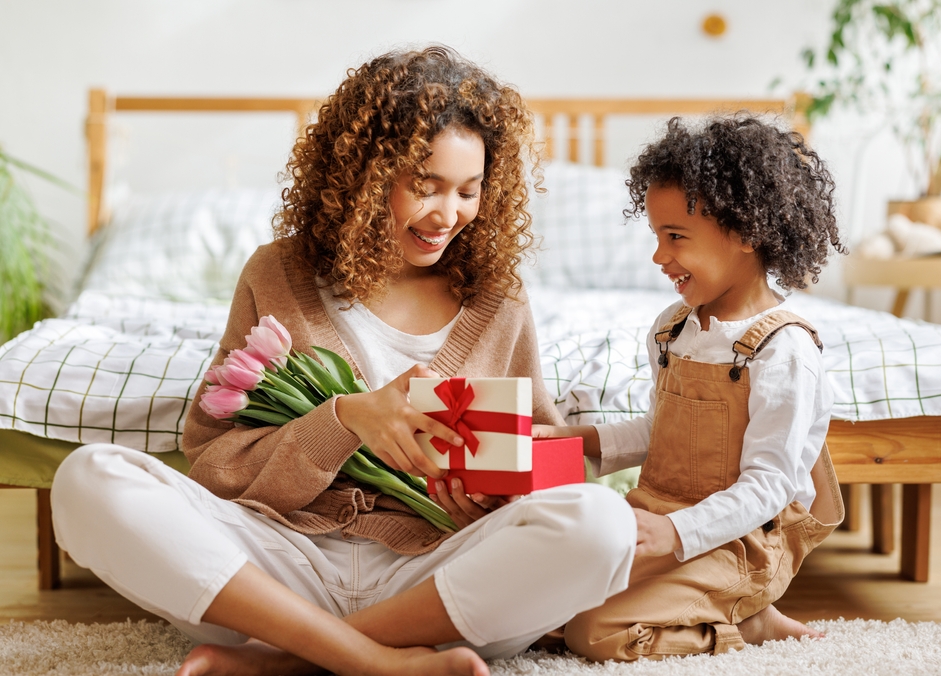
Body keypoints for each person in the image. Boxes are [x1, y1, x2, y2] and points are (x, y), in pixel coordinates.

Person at [50, 46, 637, 676]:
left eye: (469, 192)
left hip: (435, 582)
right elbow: (216, 465)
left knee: (603, 522)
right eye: (425, 186)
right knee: (90, 478)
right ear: (363, 172)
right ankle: (365, 658)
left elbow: (540, 466)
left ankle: (282, 662)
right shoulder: (278, 274)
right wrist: (345, 418)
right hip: (276, 565)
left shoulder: (499, 300)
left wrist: (495, 500)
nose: (448, 216)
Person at [534, 115, 848, 660]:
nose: (659, 256)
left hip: (739, 542)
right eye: (657, 236)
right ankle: (706, 601)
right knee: (534, 606)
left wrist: (674, 534)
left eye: (675, 236)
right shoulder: (673, 329)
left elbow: (770, 486)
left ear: (748, 231)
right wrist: (575, 439)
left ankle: (746, 621)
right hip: (659, 516)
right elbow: (665, 434)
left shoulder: (785, 351)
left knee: (594, 634)